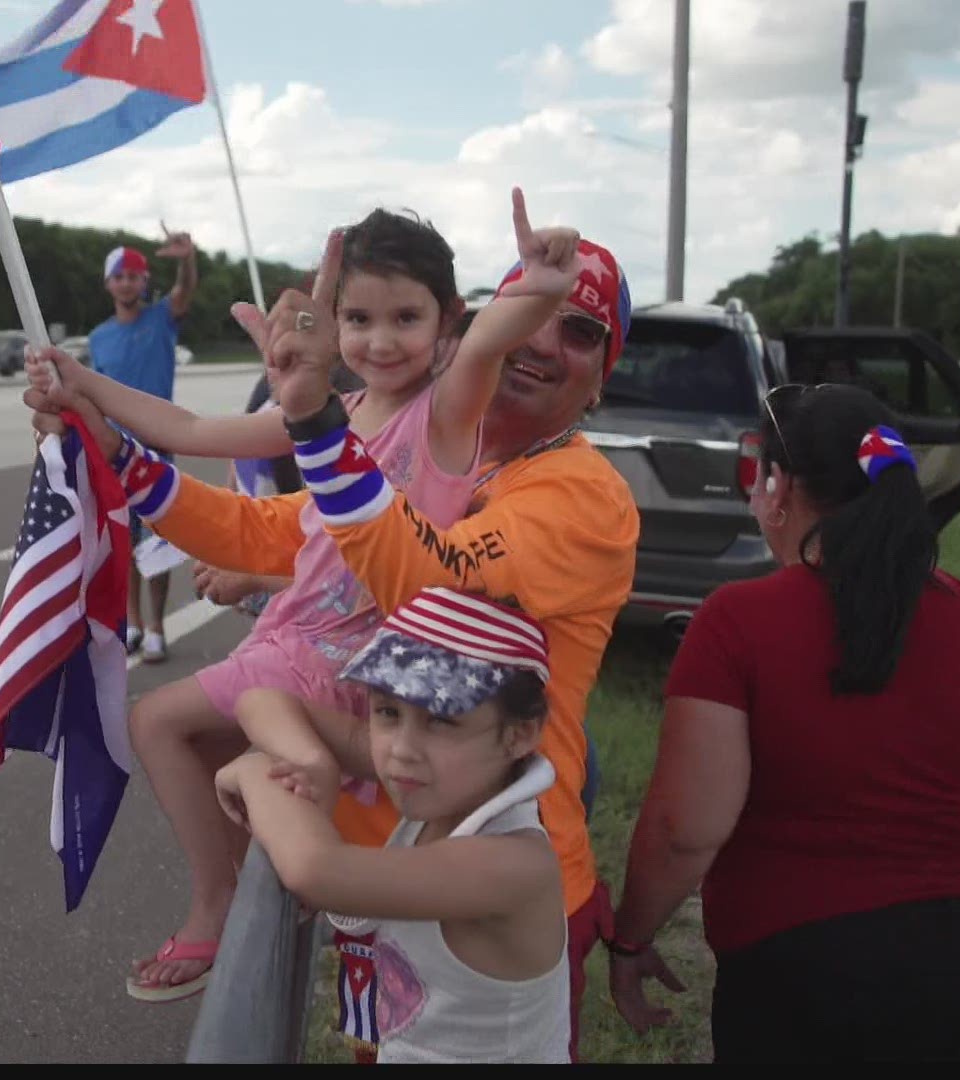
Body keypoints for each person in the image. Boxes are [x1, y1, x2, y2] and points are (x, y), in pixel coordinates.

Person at [32, 203, 640, 1055]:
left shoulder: (578, 494)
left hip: (493, 874)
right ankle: (237, 884)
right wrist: (114, 447)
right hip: (387, 860)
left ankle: (227, 894)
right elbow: (281, 530)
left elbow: (422, 579)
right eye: (361, 318)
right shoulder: (417, 442)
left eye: (577, 330)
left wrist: (316, 418)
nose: (543, 343)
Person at [606, 383, 960, 1062]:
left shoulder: (737, 621)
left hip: (806, 969)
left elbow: (685, 829)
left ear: (778, 487)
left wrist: (631, 939)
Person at [215, 586, 571, 1063]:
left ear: (520, 735)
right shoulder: (444, 775)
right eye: (386, 712)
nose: (401, 748)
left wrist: (254, 771)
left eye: (441, 719)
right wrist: (310, 761)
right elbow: (260, 698)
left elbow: (318, 871)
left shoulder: (513, 864)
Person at [89, 226, 199, 663]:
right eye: (119, 276)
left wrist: (187, 259)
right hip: (115, 451)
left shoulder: (162, 318)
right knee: (124, 543)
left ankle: (157, 626)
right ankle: (132, 621)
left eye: (134, 276)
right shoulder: (99, 338)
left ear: (144, 282)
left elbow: (185, 288)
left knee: (156, 544)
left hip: (156, 448)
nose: (127, 283)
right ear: (108, 284)